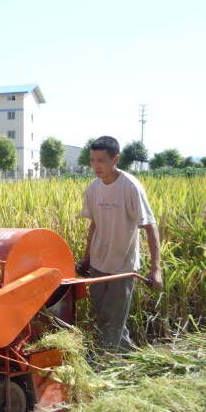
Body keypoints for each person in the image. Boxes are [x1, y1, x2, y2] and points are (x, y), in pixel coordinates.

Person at [76, 136, 162, 353]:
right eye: (92, 160)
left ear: (116, 159)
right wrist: (87, 258)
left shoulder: (130, 187)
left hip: (122, 266)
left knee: (112, 319)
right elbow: (94, 224)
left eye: (101, 160)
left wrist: (156, 269)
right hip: (98, 264)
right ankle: (128, 357)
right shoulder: (93, 188)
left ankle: (105, 364)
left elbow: (150, 227)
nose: (96, 166)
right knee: (104, 317)